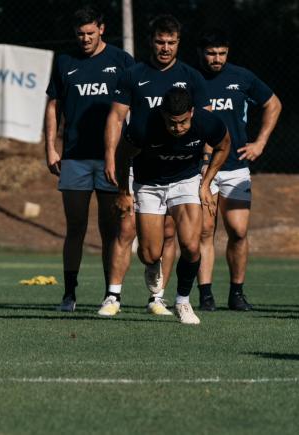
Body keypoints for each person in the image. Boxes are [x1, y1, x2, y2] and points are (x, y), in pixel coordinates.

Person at [104, 14, 209, 316]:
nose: (165, 48)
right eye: (160, 42)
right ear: (151, 42)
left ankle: (176, 300)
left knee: (184, 239)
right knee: (146, 246)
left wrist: (205, 173)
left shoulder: (192, 77)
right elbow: (115, 117)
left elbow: (206, 124)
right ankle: (148, 269)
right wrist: (112, 157)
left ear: (179, 43)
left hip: (184, 169)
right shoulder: (133, 74)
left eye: (171, 42)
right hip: (143, 166)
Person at [44, 6, 134, 312]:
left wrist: (132, 149)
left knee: (111, 228)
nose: (85, 39)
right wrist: (50, 147)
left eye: (90, 33)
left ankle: (112, 295)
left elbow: (136, 105)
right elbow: (53, 106)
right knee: (76, 226)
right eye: (80, 34)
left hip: (113, 159)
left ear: (102, 29)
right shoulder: (65, 62)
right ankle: (69, 294)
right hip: (75, 158)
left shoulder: (121, 60)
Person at [117, 87, 230, 325]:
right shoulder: (142, 125)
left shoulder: (207, 122)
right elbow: (122, 155)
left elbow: (224, 146)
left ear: (192, 112)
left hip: (185, 181)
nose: (177, 128)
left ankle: (182, 301)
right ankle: (151, 264)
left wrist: (205, 184)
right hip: (149, 184)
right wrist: (123, 193)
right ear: (162, 114)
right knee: (149, 254)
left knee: (190, 245)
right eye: (171, 123)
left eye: (183, 122)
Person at [195, 29, 282, 311]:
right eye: (211, 53)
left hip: (235, 168)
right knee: (205, 231)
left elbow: (273, 104)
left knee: (239, 231)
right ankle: (205, 294)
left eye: (221, 53)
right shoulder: (189, 77)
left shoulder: (242, 77)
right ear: (200, 53)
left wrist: (260, 143)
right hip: (200, 169)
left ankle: (237, 293)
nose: (216, 59)